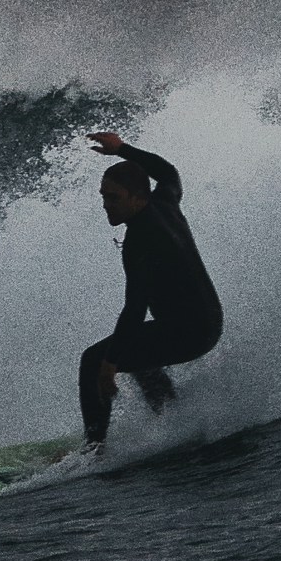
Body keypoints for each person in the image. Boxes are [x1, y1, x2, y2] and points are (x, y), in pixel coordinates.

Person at [77, 130, 221, 451]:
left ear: (138, 198)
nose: (106, 206)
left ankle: (93, 449)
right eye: (103, 196)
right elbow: (168, 171)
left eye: (114, 198)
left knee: (92, 361)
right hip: (207, 321)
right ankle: (171, 415)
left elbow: (134, 307)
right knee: (142, 351)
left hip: (189, 333)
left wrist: (109, 365)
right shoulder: (165, 202)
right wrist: (122, 149)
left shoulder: (141, 242)